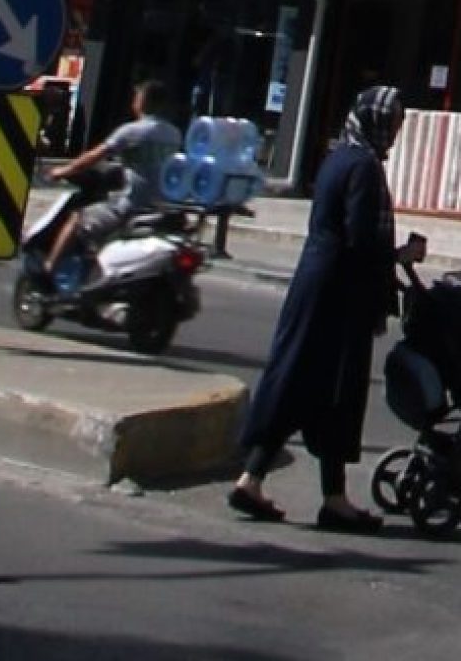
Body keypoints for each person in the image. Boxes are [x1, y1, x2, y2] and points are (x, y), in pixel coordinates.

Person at [226, 84, 407, 531]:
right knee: (337, 393)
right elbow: (362, 239)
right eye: (393, 123)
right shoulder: (363, 166)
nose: (396, 132)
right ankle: (335, 500)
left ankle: (253, 479)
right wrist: (402, 257)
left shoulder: (338, 157)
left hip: (315, 287)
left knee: (296, 381)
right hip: (340, 296)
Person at [42, 74, 188, 291]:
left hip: (131, 206)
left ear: (144, 101)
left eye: (137, 96)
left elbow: (92, 157)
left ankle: (48, 271)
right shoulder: (174, 134)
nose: (134, 100)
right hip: (162, 206)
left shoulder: (132, 131)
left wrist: (61, 171)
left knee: (76, 218)